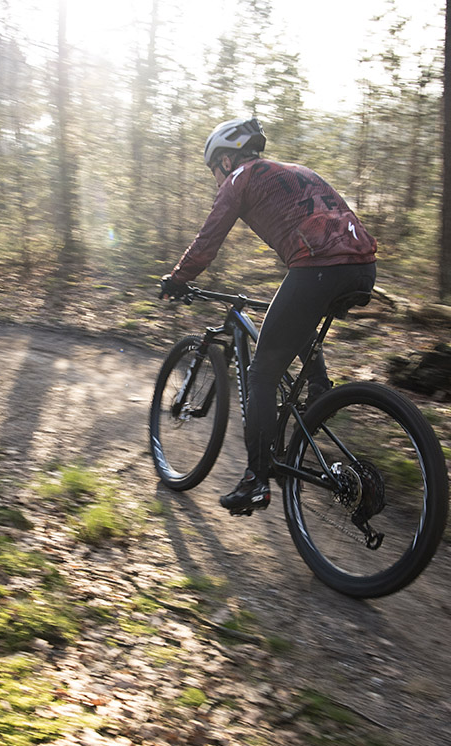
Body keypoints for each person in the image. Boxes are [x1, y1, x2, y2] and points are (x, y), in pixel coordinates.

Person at [159, 117, 377, 516]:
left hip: (320, 267)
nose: (216, 178)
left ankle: (256, 480)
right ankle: (319, 394)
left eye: (213, 170)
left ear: (225, 161)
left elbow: (208, 241)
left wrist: (178, 278)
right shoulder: (296, 171)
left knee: (261, 374)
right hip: (363, 267)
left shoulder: (240, 177)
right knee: (299, 317)